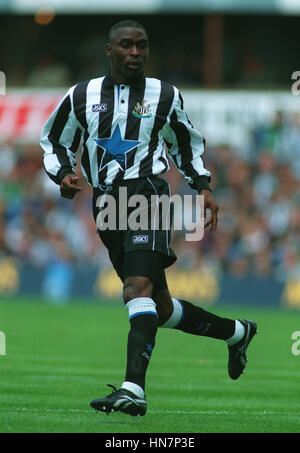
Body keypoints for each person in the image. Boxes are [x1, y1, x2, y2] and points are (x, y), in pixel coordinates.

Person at [40, 20, 257, 418]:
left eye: (142, 46)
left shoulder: (165, 94)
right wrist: (63, 174)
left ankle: (132, 391)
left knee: (135, 287)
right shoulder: (81, 95)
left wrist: (203, 186)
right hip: (106, 203)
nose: (135, 52)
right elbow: (54, 139)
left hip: (147, 194)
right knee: (156, 304)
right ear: (110, 51)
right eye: (126, 45)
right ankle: (238, 333)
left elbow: (185, 141)